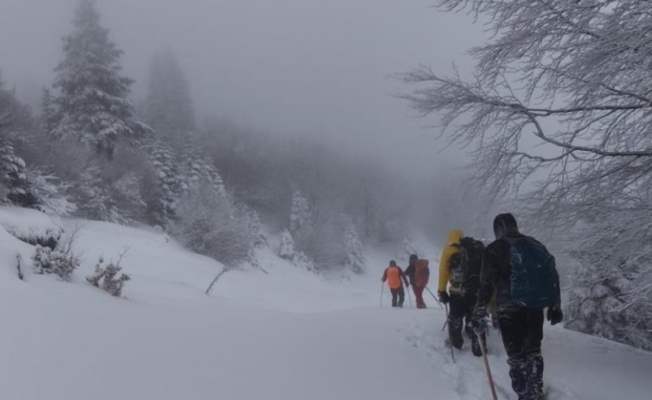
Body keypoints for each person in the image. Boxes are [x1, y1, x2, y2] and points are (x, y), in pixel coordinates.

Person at [472, 213, 563, 400]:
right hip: (534, 308)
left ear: (497, 229)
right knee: (533, 351)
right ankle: (536, 389)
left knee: (517, 357)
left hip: (509, 311)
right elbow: (551, 275)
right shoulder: (535, 245)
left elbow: (486, 284)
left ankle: (526, 395)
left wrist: (479, 310)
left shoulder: (494, 249)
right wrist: (555, 305)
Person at [436, 229, 487, 356]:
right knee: (475, 317)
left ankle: (456, 343)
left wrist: (441, 290)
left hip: (456, 292)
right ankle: (478, 346)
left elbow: (443, 272)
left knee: (455, 319)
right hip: (475, 291)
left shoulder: (448, 250)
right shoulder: (476, 249)